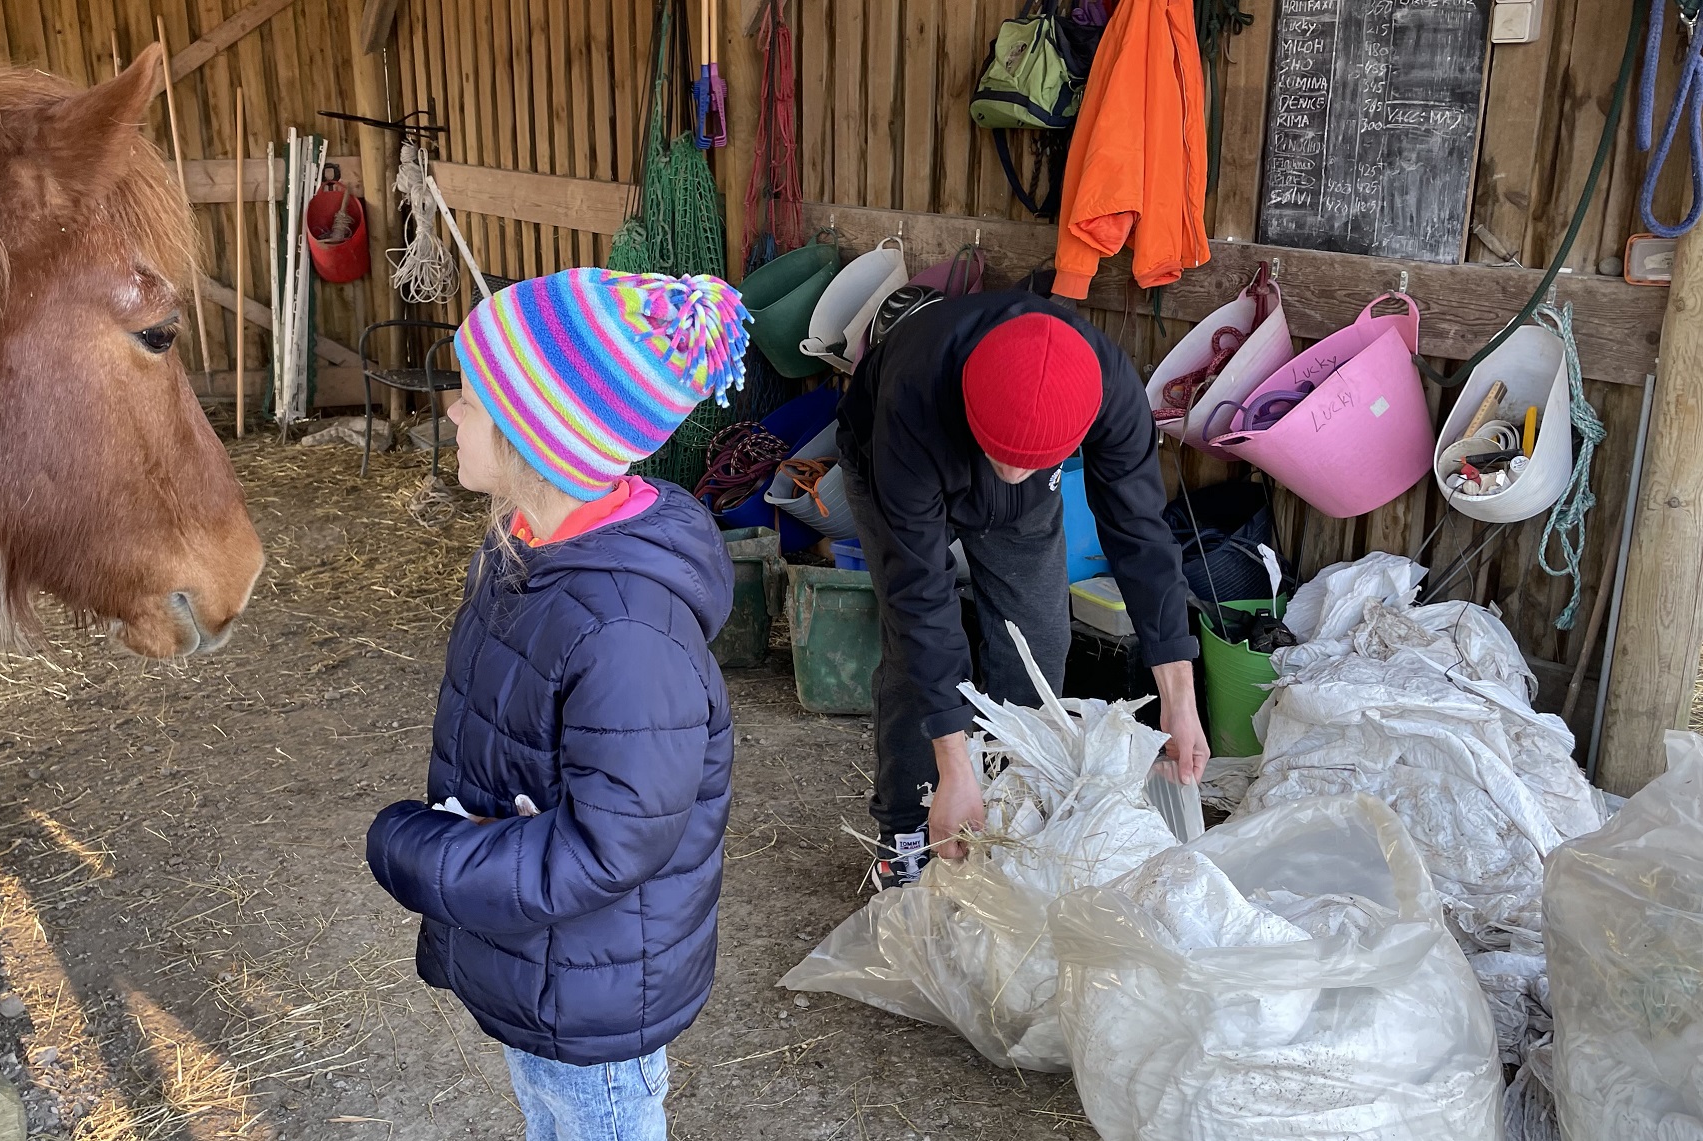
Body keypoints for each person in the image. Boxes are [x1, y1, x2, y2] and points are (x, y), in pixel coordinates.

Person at [365, 268, 746, 1141]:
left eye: (468, 398)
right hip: (548, 957)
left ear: (540, 437)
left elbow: (609, 847)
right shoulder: (526, 545)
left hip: (591, 989)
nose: (451, 412)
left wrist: (429, 854)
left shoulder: (628, 633)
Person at [836, 282, 1205, 889]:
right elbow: (921, 595)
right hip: (896, 468)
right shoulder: (914, 396)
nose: (1010, 472)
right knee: (915, 656)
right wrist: (954, 766)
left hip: (1028, 508)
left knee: (1038, 643)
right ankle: (908, 830)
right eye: (1002, 456)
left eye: (1027, 459)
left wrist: (1180, 700)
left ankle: (1008, 817)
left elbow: (1141, 536)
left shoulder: (1108, 387)